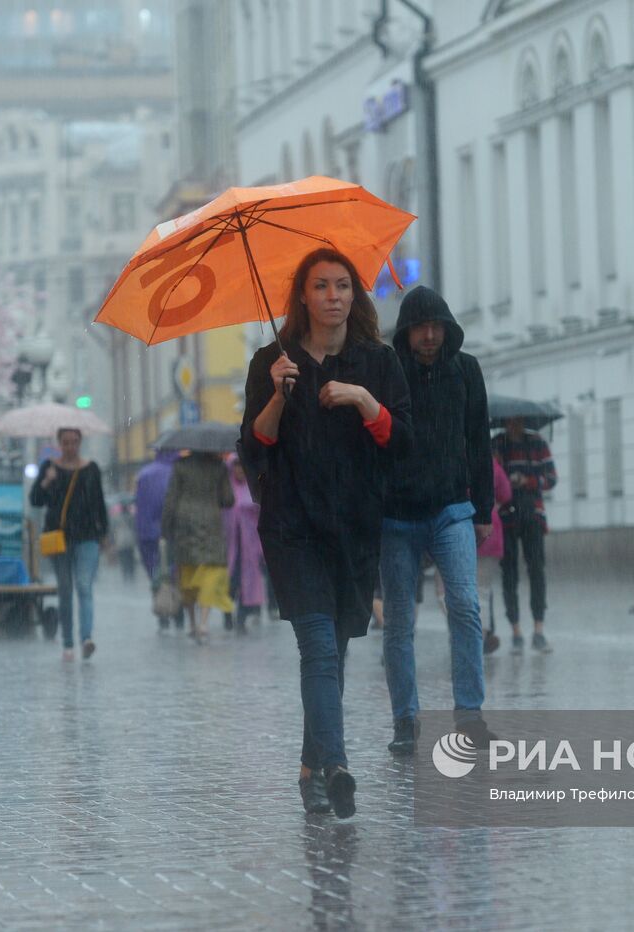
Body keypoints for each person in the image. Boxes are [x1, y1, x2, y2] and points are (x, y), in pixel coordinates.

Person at [240, 247, 411, 819]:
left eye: (342, 286)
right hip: (292, 527)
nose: (333, 296)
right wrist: (277, 396)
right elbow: (253, 446)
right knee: (316, 646)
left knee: (332, 653)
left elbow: (402, 442)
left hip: (354, 529)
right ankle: (337, 766)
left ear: (353, 296)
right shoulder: (273, 359)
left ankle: (310, 769)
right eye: (321, 286)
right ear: (303, 297)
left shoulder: (379, 362)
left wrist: (364, 400)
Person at [379, 285, 495, 756]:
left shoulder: (465, 371)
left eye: (436, 328)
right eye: (420, 329)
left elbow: (479, 443)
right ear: (405, 334)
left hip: (452, 510)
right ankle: (406, 720)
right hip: (396, 516)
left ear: (447, 329)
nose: (429, 336)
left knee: (465, 605)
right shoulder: (387, 377)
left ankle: (470, 715)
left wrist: (483, 510)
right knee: (399, 621)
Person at [29, 427, 109, 661]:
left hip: (87, 537)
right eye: (66, 442)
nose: (70, 446)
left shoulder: (91, 469)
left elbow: (99, 504)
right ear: (59, 443)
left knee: (84, 586)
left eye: (74, 442)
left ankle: (86, 638)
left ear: (80, 442)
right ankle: (67, 643)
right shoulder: (50, 468)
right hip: (59, 538)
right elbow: (35, 500)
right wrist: (46, 482)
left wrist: (104, 535)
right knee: (65, 590)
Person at [493, 417, 557, 652]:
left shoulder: (537, 443)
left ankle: (539, 629)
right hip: (506, 517)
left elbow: (551, 478)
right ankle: (516, 631)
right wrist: (505, 482)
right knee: (508, 573)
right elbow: (492, 475)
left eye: (517, 422)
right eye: (510, 422)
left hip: (533, 515)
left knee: (537, 569)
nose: (513, 426)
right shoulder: (497, 444)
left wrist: (527, 481)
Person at [162, 450, 235, 643]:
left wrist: (165, 527)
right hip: (211, 523)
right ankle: (204, 622)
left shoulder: (180, 466)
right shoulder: (219, 467)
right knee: (209, 571)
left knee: (188, 573)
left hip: (185, 524)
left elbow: (171, 500)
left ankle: (192, 623)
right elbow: (228, 500)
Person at [135, 448, 180, 628]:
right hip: (172, 531)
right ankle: (177, 609)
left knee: (155, 571)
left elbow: (139, 506)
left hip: (147, 533)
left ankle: (161, 607)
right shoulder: (176, 472)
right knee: (174, 570)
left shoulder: (144, 474)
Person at [224, 455, 266, 631]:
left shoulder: (253, 489)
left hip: (250, 547)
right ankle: (227, 615)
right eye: (236, 466)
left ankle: (241, 618)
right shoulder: (226, 489)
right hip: (229, 547)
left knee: (246, 584)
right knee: (229, 584)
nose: (239, 470)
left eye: (242, 466)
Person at [478, 454, 514, 654]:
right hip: (491, 530)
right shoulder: (489, 463)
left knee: (463, 592)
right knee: (482, 592)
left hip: (465, 529)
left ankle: (468, 635)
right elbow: (506, 493)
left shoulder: (454, 458)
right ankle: (480, 636)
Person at [112, 503, 137, 583]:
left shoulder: (116, 519)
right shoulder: (131, 518)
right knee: (130, 561)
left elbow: (113, 531)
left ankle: (125, 577)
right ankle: (131, 576)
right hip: (130, 542)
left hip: (120, 543)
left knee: (123, 561)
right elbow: (134, 529)